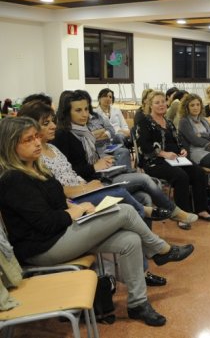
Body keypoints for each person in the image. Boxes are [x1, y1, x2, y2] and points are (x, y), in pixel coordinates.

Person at [0, 117, 195, 327]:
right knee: (126, 211)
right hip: (43, 248)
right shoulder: (13, 179)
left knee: (130, 240)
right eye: (28, 140)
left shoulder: (37, 169)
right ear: (10, 146)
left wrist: (73, 208)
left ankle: (138, 304)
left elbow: (55, 202)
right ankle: (161, 250)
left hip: (61, 234)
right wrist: (76, 211)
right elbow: (44, 223)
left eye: (37, 137)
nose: (38, 142)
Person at [18, 100, 175, 287]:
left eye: (52, 121)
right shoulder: (31, 165)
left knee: (141, 201)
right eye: (31, 137)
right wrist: (83, 195)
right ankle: (159, 243)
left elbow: (71, 176)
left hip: (79, 197)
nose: (53, 126)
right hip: (72, 207)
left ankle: (140, 290)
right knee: (130, 198)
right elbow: (57, 198)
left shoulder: (52, 149)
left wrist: (90, 183)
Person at [52, 90, 196, 229]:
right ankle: (174, 212)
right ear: (67, 112)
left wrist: (102, 162)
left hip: (100, 176)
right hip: (91, 184)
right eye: (78, 110)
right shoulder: (63, 135)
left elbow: (93, 153)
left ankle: (145, 246)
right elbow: (69, 172)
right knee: (145, 179)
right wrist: (95, 166)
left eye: (86, 109)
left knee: (145, 197)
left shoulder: (84, 132)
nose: (84, 114)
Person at [135, 90, 210, 226]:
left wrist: (182, 150)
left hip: (175, 159)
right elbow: (144, 146)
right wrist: (163, 153)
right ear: (150, 105)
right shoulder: (144, 122)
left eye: (163, 101)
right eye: (157, 102)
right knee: (181, 176)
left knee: (199, 173)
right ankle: (182, 215)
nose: (161, 105)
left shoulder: (168, 122)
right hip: (154, 161)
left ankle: (201, 209)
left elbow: (177, 142)